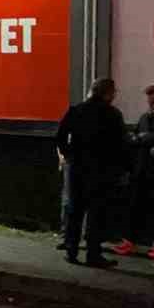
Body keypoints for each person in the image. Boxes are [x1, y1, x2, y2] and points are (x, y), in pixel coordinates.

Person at [54, 78, 126, 268]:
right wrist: (120, 169)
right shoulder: (112, 114)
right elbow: (121, 145)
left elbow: (60, 136)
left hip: (77, 168)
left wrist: (69, 155)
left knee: (74, 211)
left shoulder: (76, 110)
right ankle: (93, 254)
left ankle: (71, 251)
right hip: (101, 171)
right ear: (108, 93)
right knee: (96, 213)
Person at [112, 85, 154, 260]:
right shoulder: (145, 117)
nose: (151, 105)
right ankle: (129, 240)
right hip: (140, 169)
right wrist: (135, 139)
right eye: (150, 101)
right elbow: (136, 136)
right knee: (134, 206)